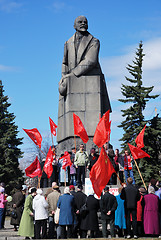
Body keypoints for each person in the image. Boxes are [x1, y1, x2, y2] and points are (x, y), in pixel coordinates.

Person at [57, 15, 111, 148]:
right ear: (74, 25)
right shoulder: (68, 42)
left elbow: (91, 61)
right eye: (80, 22)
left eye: (85, 22)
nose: (83, 24)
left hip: (91, 80)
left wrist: (72, 74)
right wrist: (64, 77)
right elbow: (64, 62)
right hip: (70, 81)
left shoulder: (94, 41)